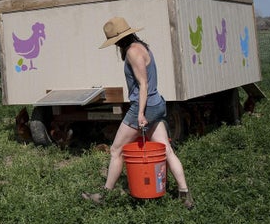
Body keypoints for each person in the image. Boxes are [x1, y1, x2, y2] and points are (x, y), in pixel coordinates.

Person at [83, 16, 194, 208]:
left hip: (145, 107)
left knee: (116, 150)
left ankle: (104, 197)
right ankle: (185, 194)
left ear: (118, 40)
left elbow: (143, 84)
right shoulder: (142, 47)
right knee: (166, 150)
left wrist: (141, 113)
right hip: (157, 104)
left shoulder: (132, 53)